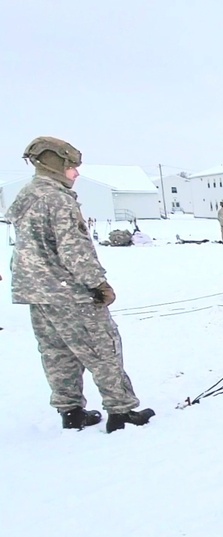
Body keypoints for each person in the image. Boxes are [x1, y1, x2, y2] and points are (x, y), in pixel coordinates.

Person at [7, 136, 154, 432]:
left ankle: (71, 412)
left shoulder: (27, 195)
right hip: (69, 291)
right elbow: (73, 249)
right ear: (55, 164)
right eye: (72, 166)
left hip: (38, 292)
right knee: (103, 347)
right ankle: (120, 410)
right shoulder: (57, 198)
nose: (76, 173)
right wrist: (99, 284)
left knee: (57, 352)